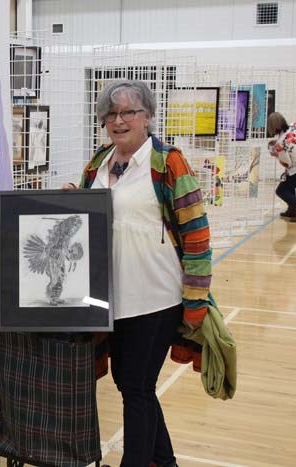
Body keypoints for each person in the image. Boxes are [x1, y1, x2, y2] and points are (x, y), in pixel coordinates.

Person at [64, 80, 212, 467]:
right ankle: (164, 462)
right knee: (129, 384)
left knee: (137, 386)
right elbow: (89, 225)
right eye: (111, 114)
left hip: (156, 297)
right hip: (109, 299)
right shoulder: (98, 163)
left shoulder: (168, 162)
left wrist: (196, 299)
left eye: (129, 111)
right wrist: (70, 202)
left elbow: (197, 234)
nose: (119, 120)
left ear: (147, 116)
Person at [266, 112, 296, 220]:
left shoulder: (280, 143)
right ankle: (292, 210)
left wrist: (276, 154)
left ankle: (294, 207)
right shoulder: (293, 126)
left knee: (281, 191)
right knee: (289, 188)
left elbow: (287, 163)